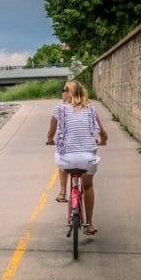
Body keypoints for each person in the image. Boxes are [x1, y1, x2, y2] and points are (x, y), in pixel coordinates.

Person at [46, 81, 107, 234]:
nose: (62, 93)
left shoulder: (59, 109)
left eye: (63, 90)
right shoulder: (90, 108)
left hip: (66, 160)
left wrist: (50, 140)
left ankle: (63, 192)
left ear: (69, 92)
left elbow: (50, 134)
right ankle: (90, 224)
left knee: (60, 154)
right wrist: (102, 142)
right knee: (87, 187)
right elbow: (103, 134)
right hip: (87, 159)